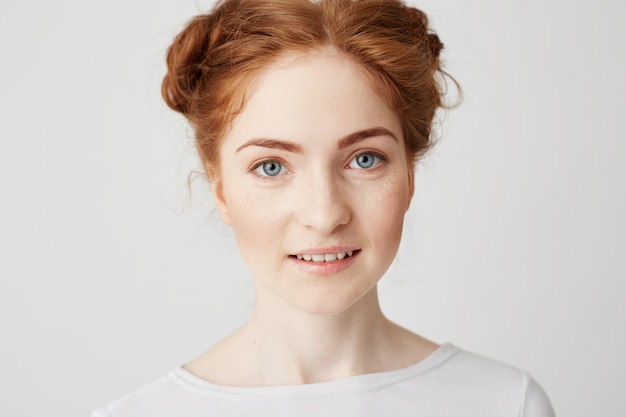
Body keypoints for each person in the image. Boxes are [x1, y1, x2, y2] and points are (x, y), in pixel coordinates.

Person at [92, 0, 555, 415]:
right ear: (220, 191)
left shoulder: (505, 403)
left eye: (364, 159)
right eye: (271, 166)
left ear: (409, 177)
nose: (324, 213)